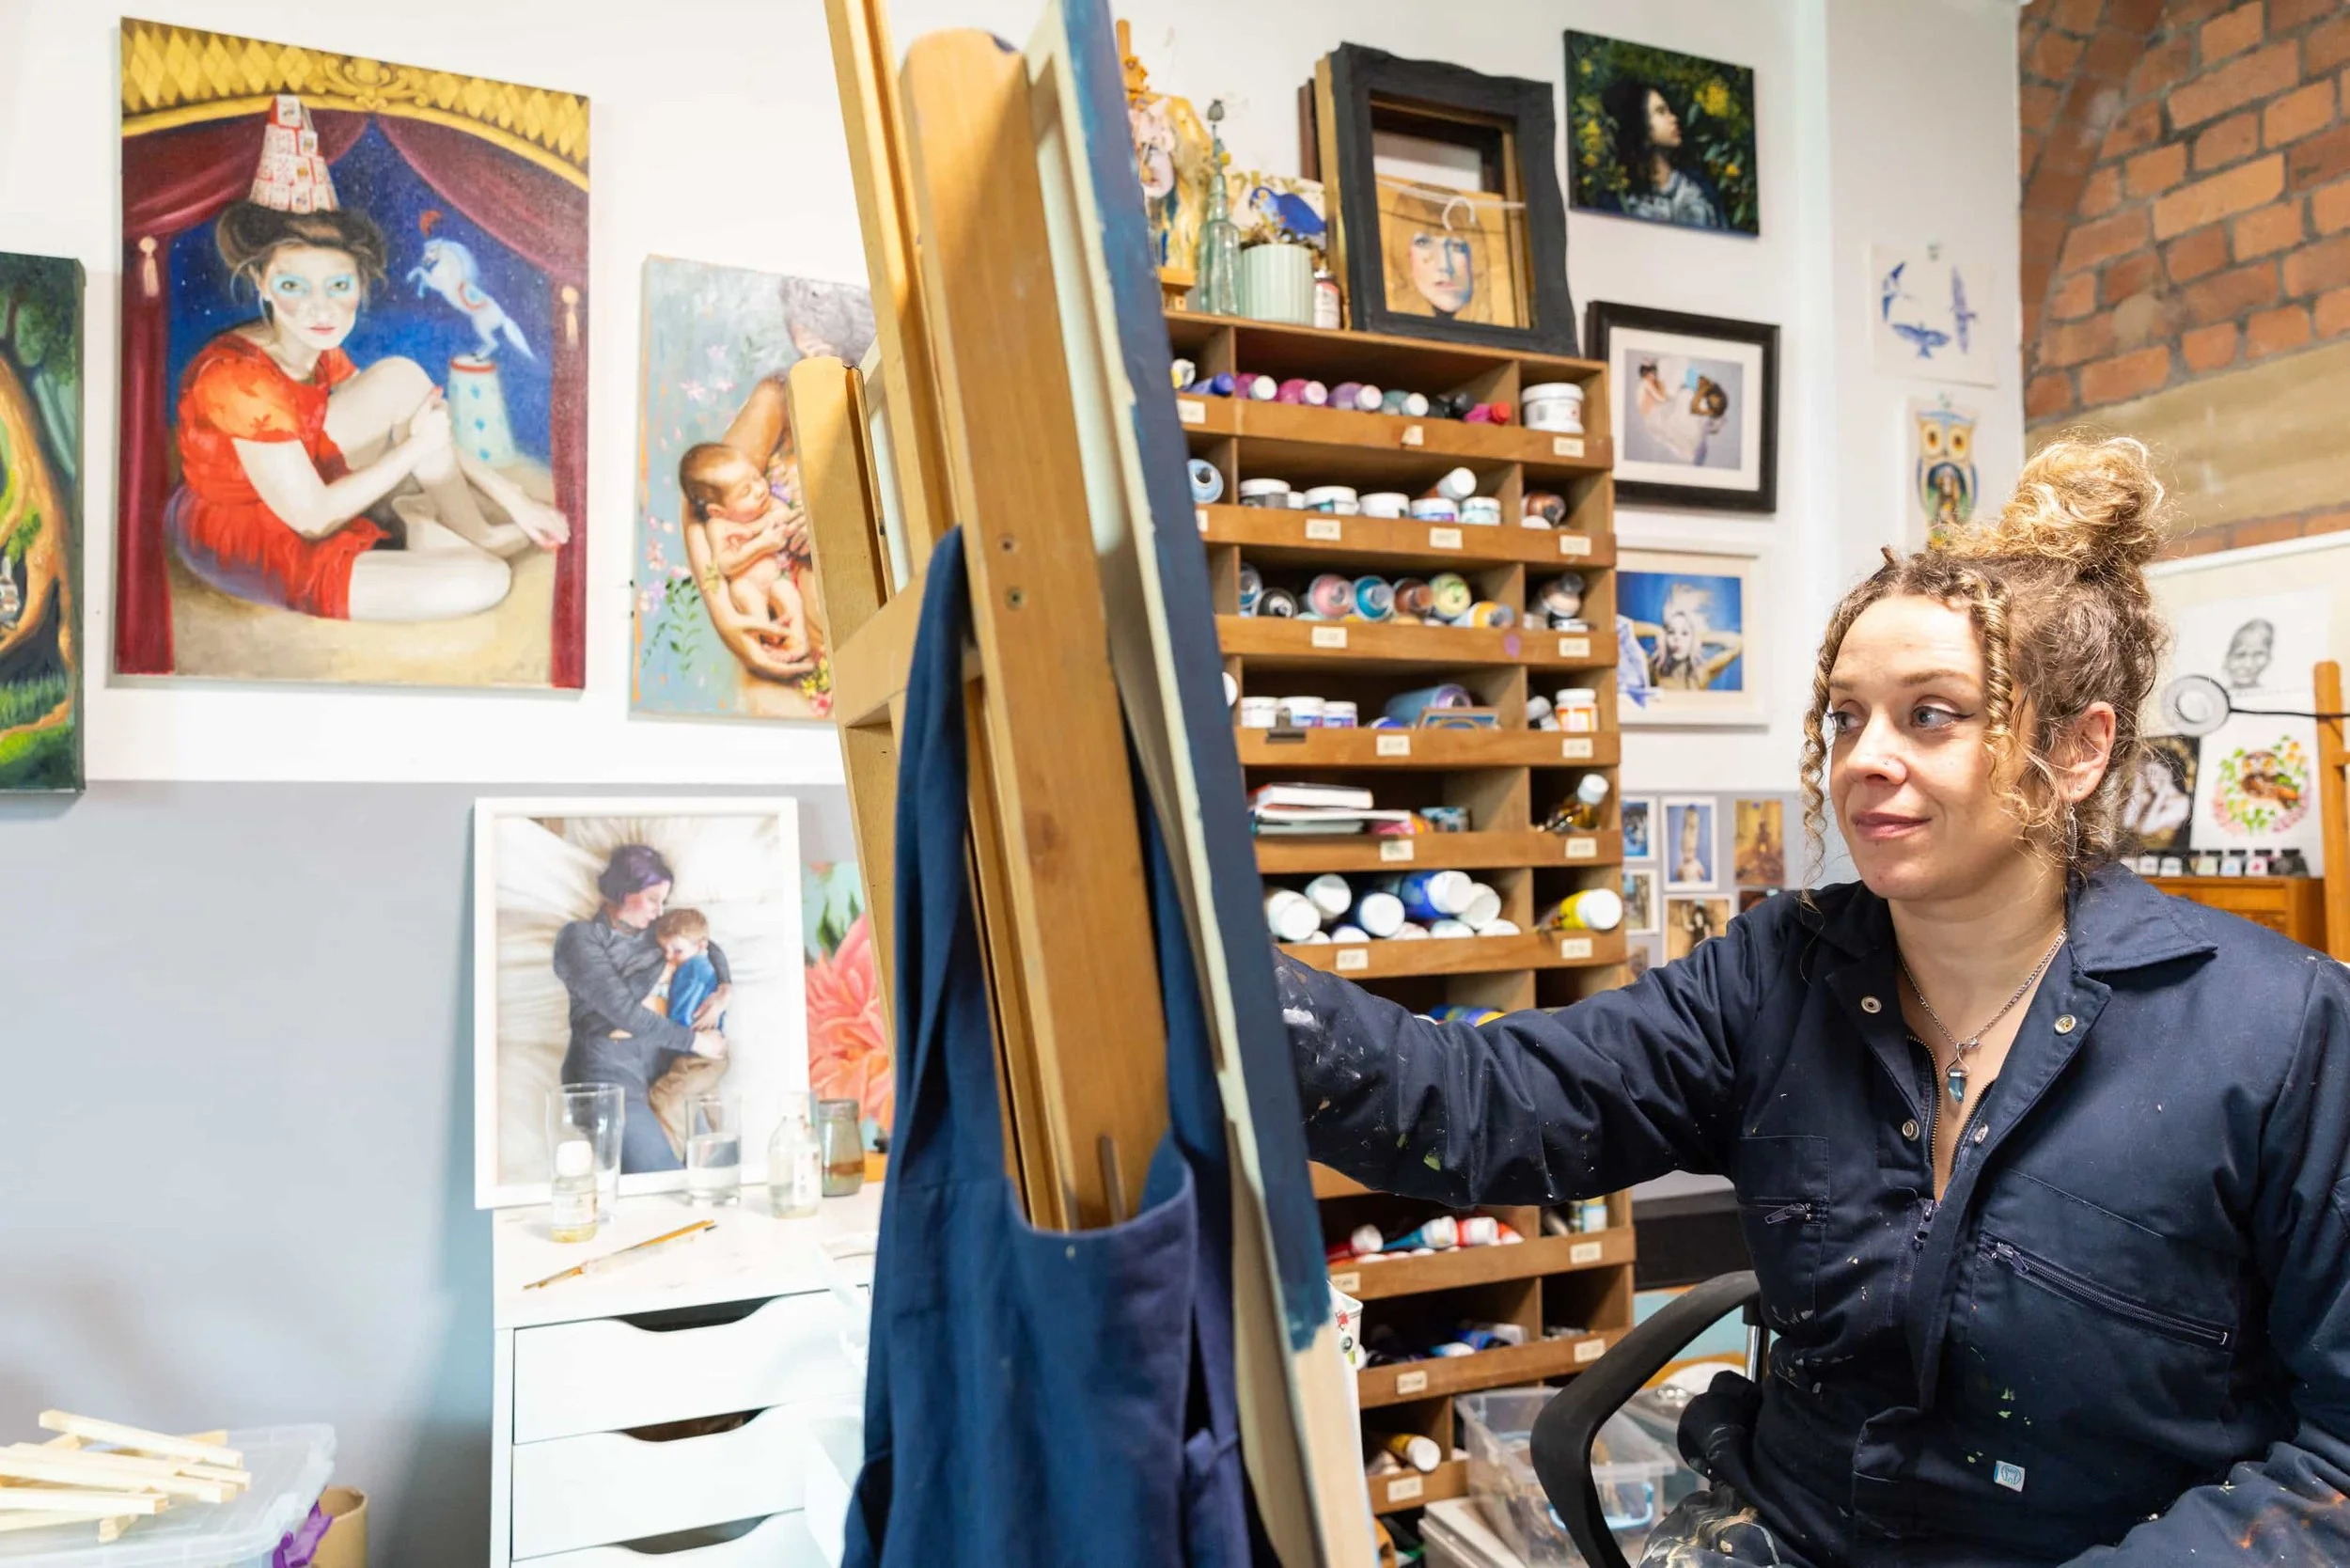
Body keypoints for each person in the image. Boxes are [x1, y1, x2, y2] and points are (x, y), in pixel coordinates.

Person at [1277, 436, 2350, 1565]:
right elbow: (1478, 1106)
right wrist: (1218, 966)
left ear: (2076, 750)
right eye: (1845, 718)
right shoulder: (1777, 972)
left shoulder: (2276, 1031)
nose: (1863, 759)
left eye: (1929, 714)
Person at [168, 144, 569, 624]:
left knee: (402, 378)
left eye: (339, 287)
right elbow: (314, 517)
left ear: (360, 282)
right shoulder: (236, 379)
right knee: (486, 580)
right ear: (260, 281)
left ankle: (470, 527)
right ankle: (424, 526)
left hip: (304, 473)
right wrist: (413, 451)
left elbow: (418, 425)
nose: (321, 310)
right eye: (293, 287)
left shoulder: (312, 343)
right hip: (249, 530)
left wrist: (512, 496)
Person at [554, 845, 731, 1174]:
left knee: (716, 1167)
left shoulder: (657, 933)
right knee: (660, 1174)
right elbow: (622, 1010)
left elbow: (708, 945)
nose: (658, 910)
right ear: (624, 890)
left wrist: (724, 990)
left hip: (663, 1066)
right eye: (652, 899)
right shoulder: (580, 939)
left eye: (663, 901)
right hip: (608, 1072)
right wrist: (694, 1042)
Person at [677, 442, 812, 663]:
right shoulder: (719, 527)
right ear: (718, 511)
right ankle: (768, 640)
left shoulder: (771, 505)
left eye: (757, 478)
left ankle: (798, 643)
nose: (760, 490)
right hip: (747, 586)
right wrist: (762, 545)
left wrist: (753, 530)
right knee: (745, 594)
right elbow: (725, 565)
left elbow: (783, 518)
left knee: (786, 592)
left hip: (776, 579)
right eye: (746, 491)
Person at [1601, 76, 1728, 229]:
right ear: (1640, 123)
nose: (1674, 118)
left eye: (1670, 111)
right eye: (1661, 112)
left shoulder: (1699, 188)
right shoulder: (1620, 201)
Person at [1635, 581, 1744, 691]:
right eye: (1671, 632)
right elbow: (1621, 630)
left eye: (1684, 633)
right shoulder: (1652, 670)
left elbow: (1739, 643)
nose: (1677, 638)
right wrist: (1658, 631)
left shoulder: (1702, 674)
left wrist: (1699, 637)